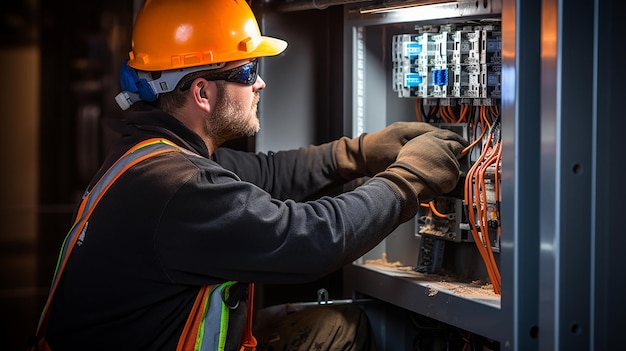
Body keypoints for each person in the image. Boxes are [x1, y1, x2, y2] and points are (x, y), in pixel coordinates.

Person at [40, 0, 468, 350]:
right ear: (202, 92)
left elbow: (267, 173)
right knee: (336, 330)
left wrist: (354, 154)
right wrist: (409, 177)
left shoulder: (149, 158)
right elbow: (311, 238)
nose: (260, 84)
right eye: (247, 72)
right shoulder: (177, 188)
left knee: (329, 325)